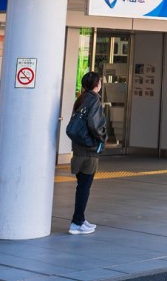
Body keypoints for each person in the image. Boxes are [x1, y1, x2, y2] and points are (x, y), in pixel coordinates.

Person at [68, 71, 106, 235]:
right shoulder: (94, 100)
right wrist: (102, 137)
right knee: (85, 186)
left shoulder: (81, 98)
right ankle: (77, 222)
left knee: (82, 185)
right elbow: (95, 124)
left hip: (78, 148)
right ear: (97, 84)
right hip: (88, 149)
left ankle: (80, 219)